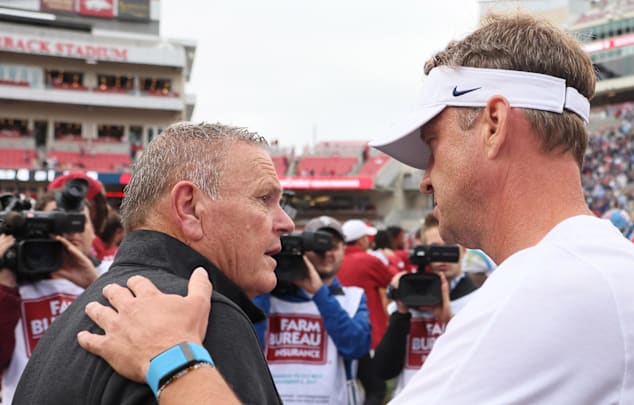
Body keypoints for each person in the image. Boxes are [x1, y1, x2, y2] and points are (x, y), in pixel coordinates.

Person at [75, 12, 634, 404]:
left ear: (492, 123)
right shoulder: (596, 269)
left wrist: (174, 362)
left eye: (431, 146)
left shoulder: (556, 285)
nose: (424, 179)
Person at [13, 122, 294, 404]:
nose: (287, 223)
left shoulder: (72, 321)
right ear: (189, 207)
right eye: (264, 199)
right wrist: (180, 362)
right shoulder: (199, 315)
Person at [252, 215, 371, 404]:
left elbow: (356, 347)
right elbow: (250, 344)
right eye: (319, 248)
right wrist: (267, 283)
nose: (327, 254)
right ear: (304, 251)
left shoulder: (353, 298)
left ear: (343, 250)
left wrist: (319, 293)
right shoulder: (269, 298)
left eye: (333, 246)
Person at [2, 189, 100, 404]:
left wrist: (95, 284)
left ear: (94, 231)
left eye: (77, 221)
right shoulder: (13, 284)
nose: (70, 231)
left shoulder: (109, 276)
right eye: (56, 220)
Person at [374, 213, 477, 398]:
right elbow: (384, 370)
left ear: (463, 250)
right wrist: (401, 313)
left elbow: (481, 368)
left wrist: (449, 320)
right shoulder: (407, 295)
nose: (442, 257)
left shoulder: (478, 300)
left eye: (449, 247)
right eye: (434, 249)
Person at [336, 218, 395, 405]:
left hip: (338, 331)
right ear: (361, 240)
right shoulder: (370, 260)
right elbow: (392, 281)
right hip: (368, 334)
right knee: (376, 388)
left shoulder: (333, 259)